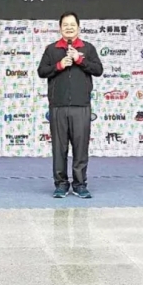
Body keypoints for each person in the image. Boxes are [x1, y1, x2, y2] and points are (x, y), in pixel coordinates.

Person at [37, 11, 104, 199]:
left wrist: (79, 60)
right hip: (58, 106)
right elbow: (41, 71)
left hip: (81, 106)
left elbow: (98, 70)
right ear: (60, 28)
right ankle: (61, 184)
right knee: (59, 149)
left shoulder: (87, 48)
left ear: (78, 28)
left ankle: (80, 184)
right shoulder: (51, 49)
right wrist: (59, 65)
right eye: (65, 25)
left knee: (80, 148)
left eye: (72, 25)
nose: (69, 28)